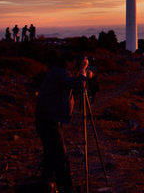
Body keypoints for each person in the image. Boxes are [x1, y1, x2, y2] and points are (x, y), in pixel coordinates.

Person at [35, 52, 92, 193]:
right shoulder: (59, 73)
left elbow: (75, 85)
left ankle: (46, 183)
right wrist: (83, 71)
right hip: (49, 120)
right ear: (67, 62)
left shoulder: (58, 72)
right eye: (74, 62)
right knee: (60, 156)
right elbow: (78, 85)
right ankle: (66, 188)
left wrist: (82, 74)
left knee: (50, 154)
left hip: (48, 118)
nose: (75, 65)